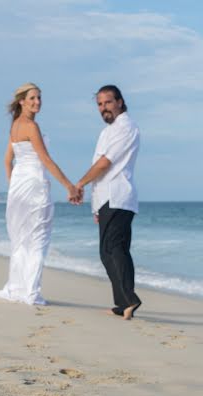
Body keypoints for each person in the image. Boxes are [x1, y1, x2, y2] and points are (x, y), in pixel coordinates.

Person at [0, 82, 82, 306]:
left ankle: (17, 288)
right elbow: (46, 160)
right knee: (38, 238)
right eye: (32, 98)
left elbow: (7, 161)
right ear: (21, 101)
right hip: (34, 185)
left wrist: (13, 184)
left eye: (39, 98)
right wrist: (69, 186)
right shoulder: (32, 127)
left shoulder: (15, 126)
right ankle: (31, 293)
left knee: (20, 238)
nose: (37, 102)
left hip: (19, 186)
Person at [74, 85, 142, 320]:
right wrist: (95, 206)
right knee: (107, 252)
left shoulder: (126, 127)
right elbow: (101, 171)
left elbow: (105, 163)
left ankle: (130, 300)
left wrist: (80, 183)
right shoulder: (108, 131)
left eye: (108, 102)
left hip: (119, 195)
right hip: (106, 199)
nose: (104, 108)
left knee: (115, 248)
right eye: (100, 104)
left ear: (120, 102)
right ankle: (122, 303)